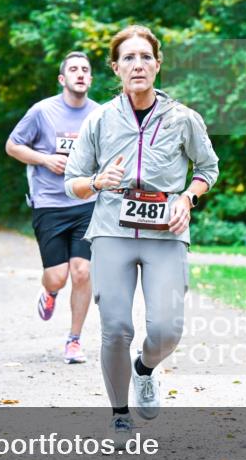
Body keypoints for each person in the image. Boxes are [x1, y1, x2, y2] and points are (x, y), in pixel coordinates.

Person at [64, 25, 218, 435]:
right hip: (112, 229)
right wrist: (98, 182)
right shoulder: (99, 119)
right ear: (115, 68)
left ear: (158, 64)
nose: (137, 65)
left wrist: (187, 199)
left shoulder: (183, 119)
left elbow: (208, 168)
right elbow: (73, 181)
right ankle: (119, 414)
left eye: (145, 57)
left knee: (167, 330)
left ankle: (145, 368)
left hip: (166, 231)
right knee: (116, 328)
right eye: (128, 58)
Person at [6, 52, 99, 364]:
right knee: (58, 277)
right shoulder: (42, 111)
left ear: (91, 78)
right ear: (62, 79)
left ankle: (74, 340)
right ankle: (50, 292)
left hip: (86, 202)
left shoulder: (100, 115)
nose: (80, 74)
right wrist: (45, 159)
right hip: (49, 203)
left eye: (85, 70)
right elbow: (12, 146)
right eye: (73, 69)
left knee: (82, 272)